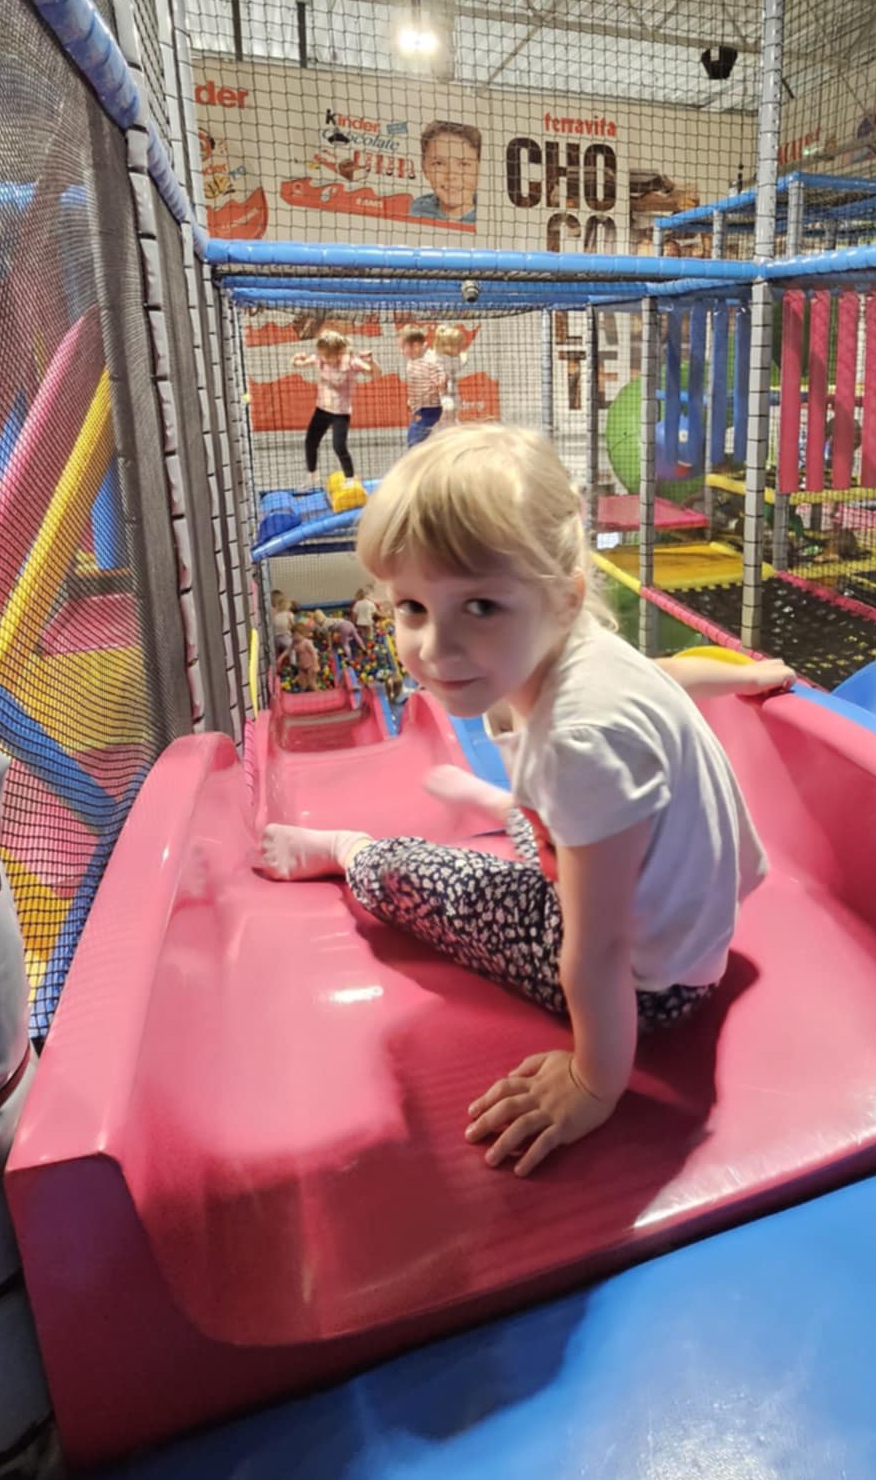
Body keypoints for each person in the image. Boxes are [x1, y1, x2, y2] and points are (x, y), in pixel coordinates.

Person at [256, 424, 791, 1179]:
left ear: (562, 598)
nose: (435, 648)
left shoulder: (576, 741)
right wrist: (745, 674)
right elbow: (668, 673)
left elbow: (595, 949)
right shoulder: (590, 647)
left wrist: (592, 1083)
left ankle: (351, 852)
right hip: (699, 932)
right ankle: (501, 801)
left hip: (652, 990)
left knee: (424, 876)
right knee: (548, 800)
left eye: (479, 606)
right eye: (412, 607)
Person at [291, 327, 377, 490]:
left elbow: (374, 373)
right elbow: (298, 364)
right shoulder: (320, 358)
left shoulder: (351, 362)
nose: (324, 359)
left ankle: (349, 478)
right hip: (322, 409)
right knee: (310, 441)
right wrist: (296, 359)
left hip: (340, 413)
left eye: (328, 356)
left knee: (339, 446)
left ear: (338, 352)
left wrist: (372, 362)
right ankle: (312, 475)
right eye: (322, 355)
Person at [411, 120, 481, 226]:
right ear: (424, 168)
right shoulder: (418, 209)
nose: (451, 175)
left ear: (480, 168)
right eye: (439, 163)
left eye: (464, 164)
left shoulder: (489, 214)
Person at [399, 323, 446, 446]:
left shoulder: (430, 360)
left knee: (414, 441)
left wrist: (441, 382)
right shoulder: (413, 361)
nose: (401, 352)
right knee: (418, 440)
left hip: (429, 409)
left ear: (415, 346)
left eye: (403, 348)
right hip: (419, 408)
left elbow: (440, 376)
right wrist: (412, 400)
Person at [428, 322, 472, 422]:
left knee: (452, 413)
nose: (461, 348)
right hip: (440, 396)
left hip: (450, 393)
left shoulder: (438, 356)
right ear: (447, 346)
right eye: (458, 345)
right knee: (447, 412)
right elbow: (463, 359)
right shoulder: (441, 359)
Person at [271, 588, 293, 655]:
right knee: (292, 648)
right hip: (284, 636)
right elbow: (291, 626)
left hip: (276, 637)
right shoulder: (287, 614)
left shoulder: (274, 612)